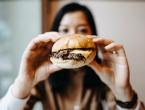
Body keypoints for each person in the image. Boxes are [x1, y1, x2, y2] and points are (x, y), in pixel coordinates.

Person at [0, 2, 144, 110]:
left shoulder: (105, 74)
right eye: (64, 30)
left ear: (92, 34)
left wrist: (124, 92)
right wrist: (22, 83)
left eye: (82, 30)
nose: (72, 36)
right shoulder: (42, 78)